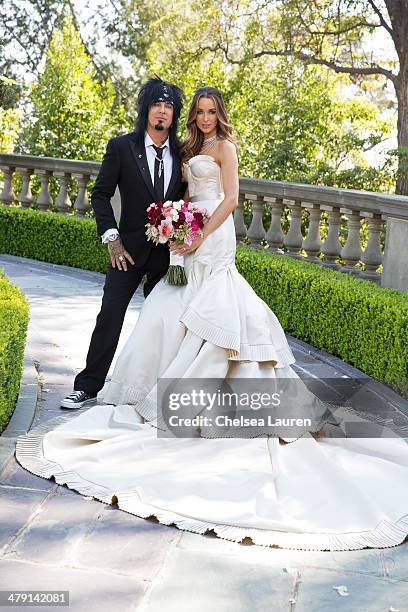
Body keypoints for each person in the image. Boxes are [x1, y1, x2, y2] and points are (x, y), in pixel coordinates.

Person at [16, 86, 408, 552]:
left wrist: (196, 236)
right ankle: (103, 385)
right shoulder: (175, 148)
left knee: (202, 309)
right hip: (173, 242)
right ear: (162, 113)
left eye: (208, 111)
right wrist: (159, 230)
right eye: (196, 112)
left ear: (217, 114)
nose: (202, 118)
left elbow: (231, 199)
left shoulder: (224, 147)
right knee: (157, 313)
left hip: (210, 239)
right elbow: (131, 196)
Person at [60, 76, 185, 409]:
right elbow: (100, 195)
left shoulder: (182, 153)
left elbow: (189, 200)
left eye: (168, 107)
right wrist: (112, 239)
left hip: (169, 257)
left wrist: (185, 236)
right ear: (146, 111)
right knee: (110, 315)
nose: (162, 112)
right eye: (156, 106)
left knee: (168, 321)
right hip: (125, 252)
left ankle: (158, 391)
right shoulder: (121, 147)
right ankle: (86, 386)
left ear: (174, 115)